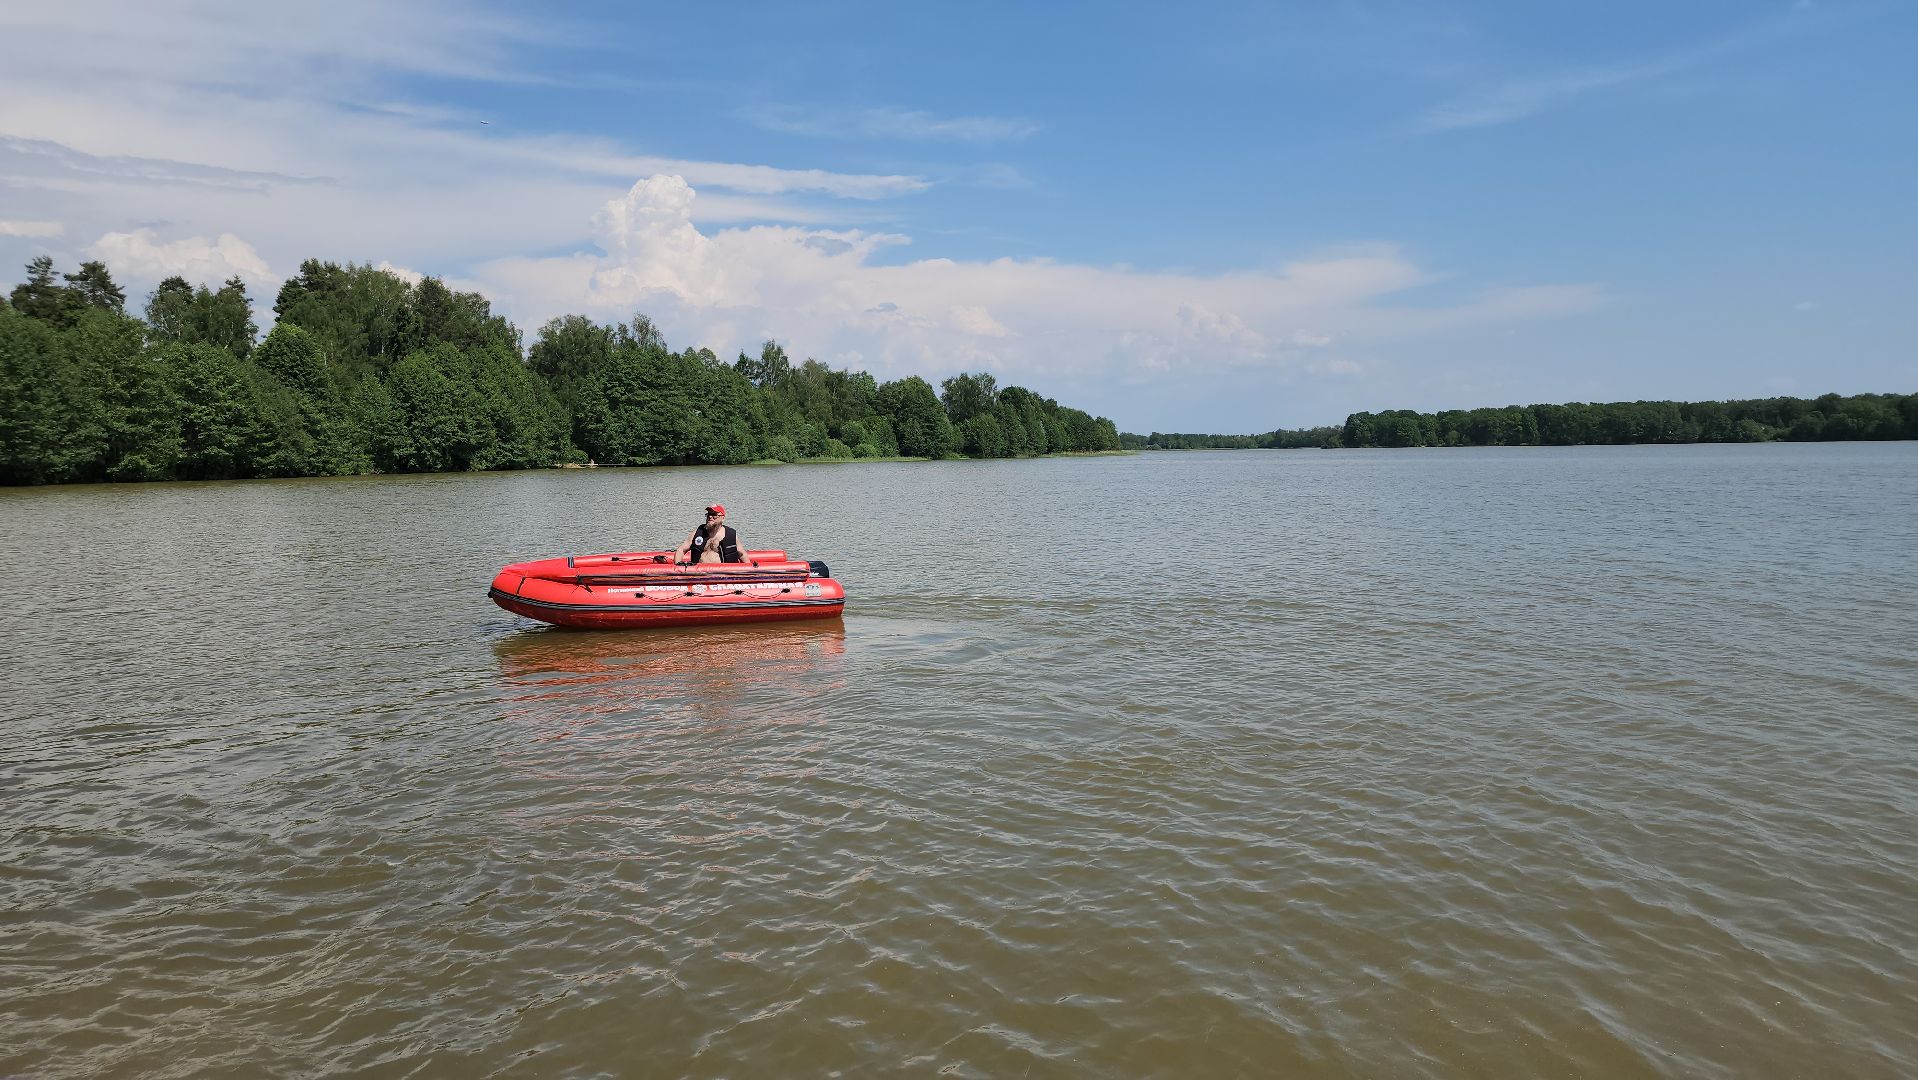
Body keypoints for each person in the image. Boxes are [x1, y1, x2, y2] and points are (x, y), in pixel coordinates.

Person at [675, 504, 743, 564]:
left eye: (714, 514)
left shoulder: (730, 535)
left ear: (723, 518)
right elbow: (681, 550)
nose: (710, 516)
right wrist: (677, 567)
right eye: (708, 514)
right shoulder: (697, 533)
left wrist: (751, 571)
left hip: (723, 575)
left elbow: (742, 554)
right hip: (699, 575)